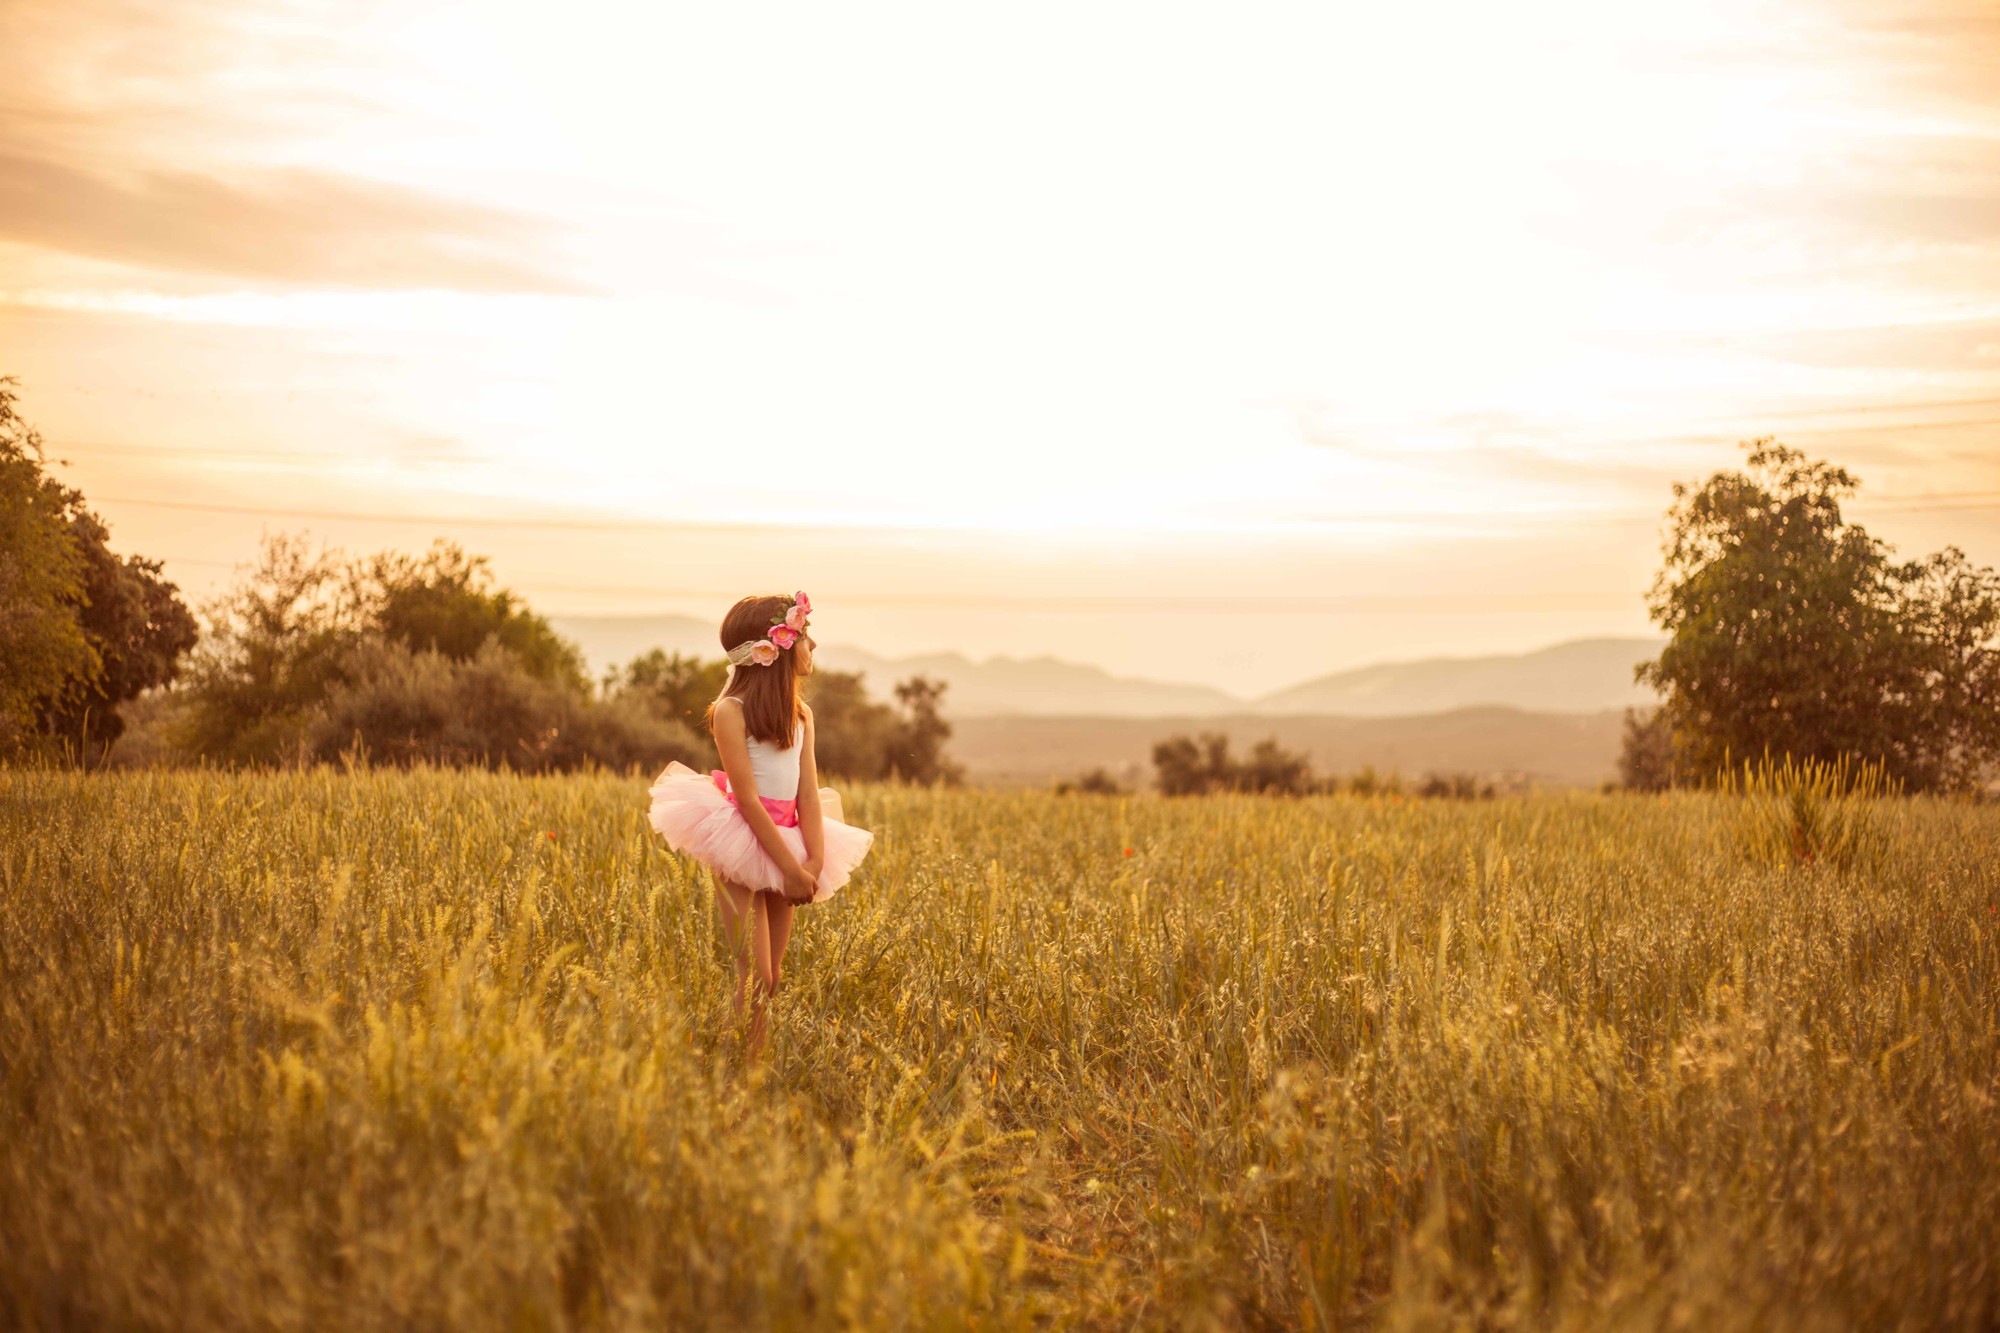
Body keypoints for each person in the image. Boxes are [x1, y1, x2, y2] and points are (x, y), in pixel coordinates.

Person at [647, 591, 873, 1053]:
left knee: (773, 980)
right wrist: (789, 869)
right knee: (757, 973)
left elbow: (807, 793)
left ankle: (757, 1057)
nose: (815, 647)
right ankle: (745, 1069)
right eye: (807, 637)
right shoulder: (732, 712)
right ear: (780, 646)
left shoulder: (801, 715)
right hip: (742, 837)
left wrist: (812, 860)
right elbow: (747, 799)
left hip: (790, 838)